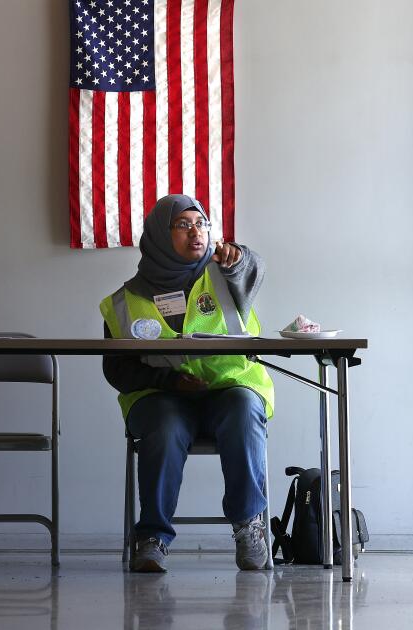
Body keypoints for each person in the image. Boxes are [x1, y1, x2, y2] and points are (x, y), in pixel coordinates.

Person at [100, 194, 273, 573]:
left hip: (229, 389)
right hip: (163, 396)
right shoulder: (123, 302)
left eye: (201, 224)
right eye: (183, 225)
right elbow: (117, 370)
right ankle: (153, 538)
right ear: (159, 236)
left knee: (244, 410)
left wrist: (238, 256)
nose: (195, 232)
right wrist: (169, 380)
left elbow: (253, 267)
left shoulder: (225, 276)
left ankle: (249, 527)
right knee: (164, 425)